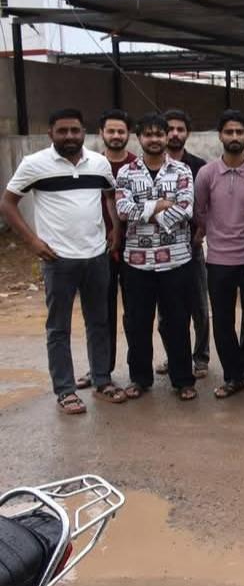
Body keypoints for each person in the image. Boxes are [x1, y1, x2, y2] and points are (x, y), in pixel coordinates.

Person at [1, 108, 126, 413]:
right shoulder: (34, 164)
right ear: (51, 134)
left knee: (99, 322)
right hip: (58, 260)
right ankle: (65, 390)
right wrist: (32, 242)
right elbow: (8, 203)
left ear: (84, 132)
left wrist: (116, 229)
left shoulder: (99, 163)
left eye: (75, 130)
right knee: (59, 328)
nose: (69, 136)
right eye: (63, 131)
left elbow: (110, 196)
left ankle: (102, 380)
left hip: (96, 256)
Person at [114, 112, 198, 402]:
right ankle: (139, 378)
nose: (154, 139)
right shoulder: (126, 173)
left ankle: (183, 379)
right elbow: (122, 211)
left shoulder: (182, 170)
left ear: (166, 137)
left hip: (176, 260)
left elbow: (185, 209)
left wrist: (147, 212)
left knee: (177, 322)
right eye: (148, 134)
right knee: (137, 323)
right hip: (136, 262)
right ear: (139, 138)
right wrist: (160, 205)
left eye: (159, 134)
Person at [194, 109, 244, 402]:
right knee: (223, 323)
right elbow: (200, 211)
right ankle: (233, 377)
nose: (234, 137)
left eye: (239, 132)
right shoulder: (206, 174)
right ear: (220, 135)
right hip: (218, 261)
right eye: (229, 132)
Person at [73, 109, 136, 391]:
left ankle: (138, 369)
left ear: (128, 134)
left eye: (121, 131)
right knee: (101, 313)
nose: (116, 135)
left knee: (135, 313)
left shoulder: (137, 166)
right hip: (98, 250)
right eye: (111, 131)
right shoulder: (91, 165)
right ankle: (101, 370)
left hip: (135, 250)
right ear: (101, 133)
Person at [157, 108, 211, 379]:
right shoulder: (153, 166)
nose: (175, 134)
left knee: (199, 305)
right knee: (167, 309)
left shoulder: (199, 166)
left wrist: (201, 232)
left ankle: (200, 357)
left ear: (187, 133)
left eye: (180, 129)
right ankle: (174, 356)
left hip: (192, 245)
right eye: (170, 129)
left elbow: (207, 204)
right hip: (160, 248)